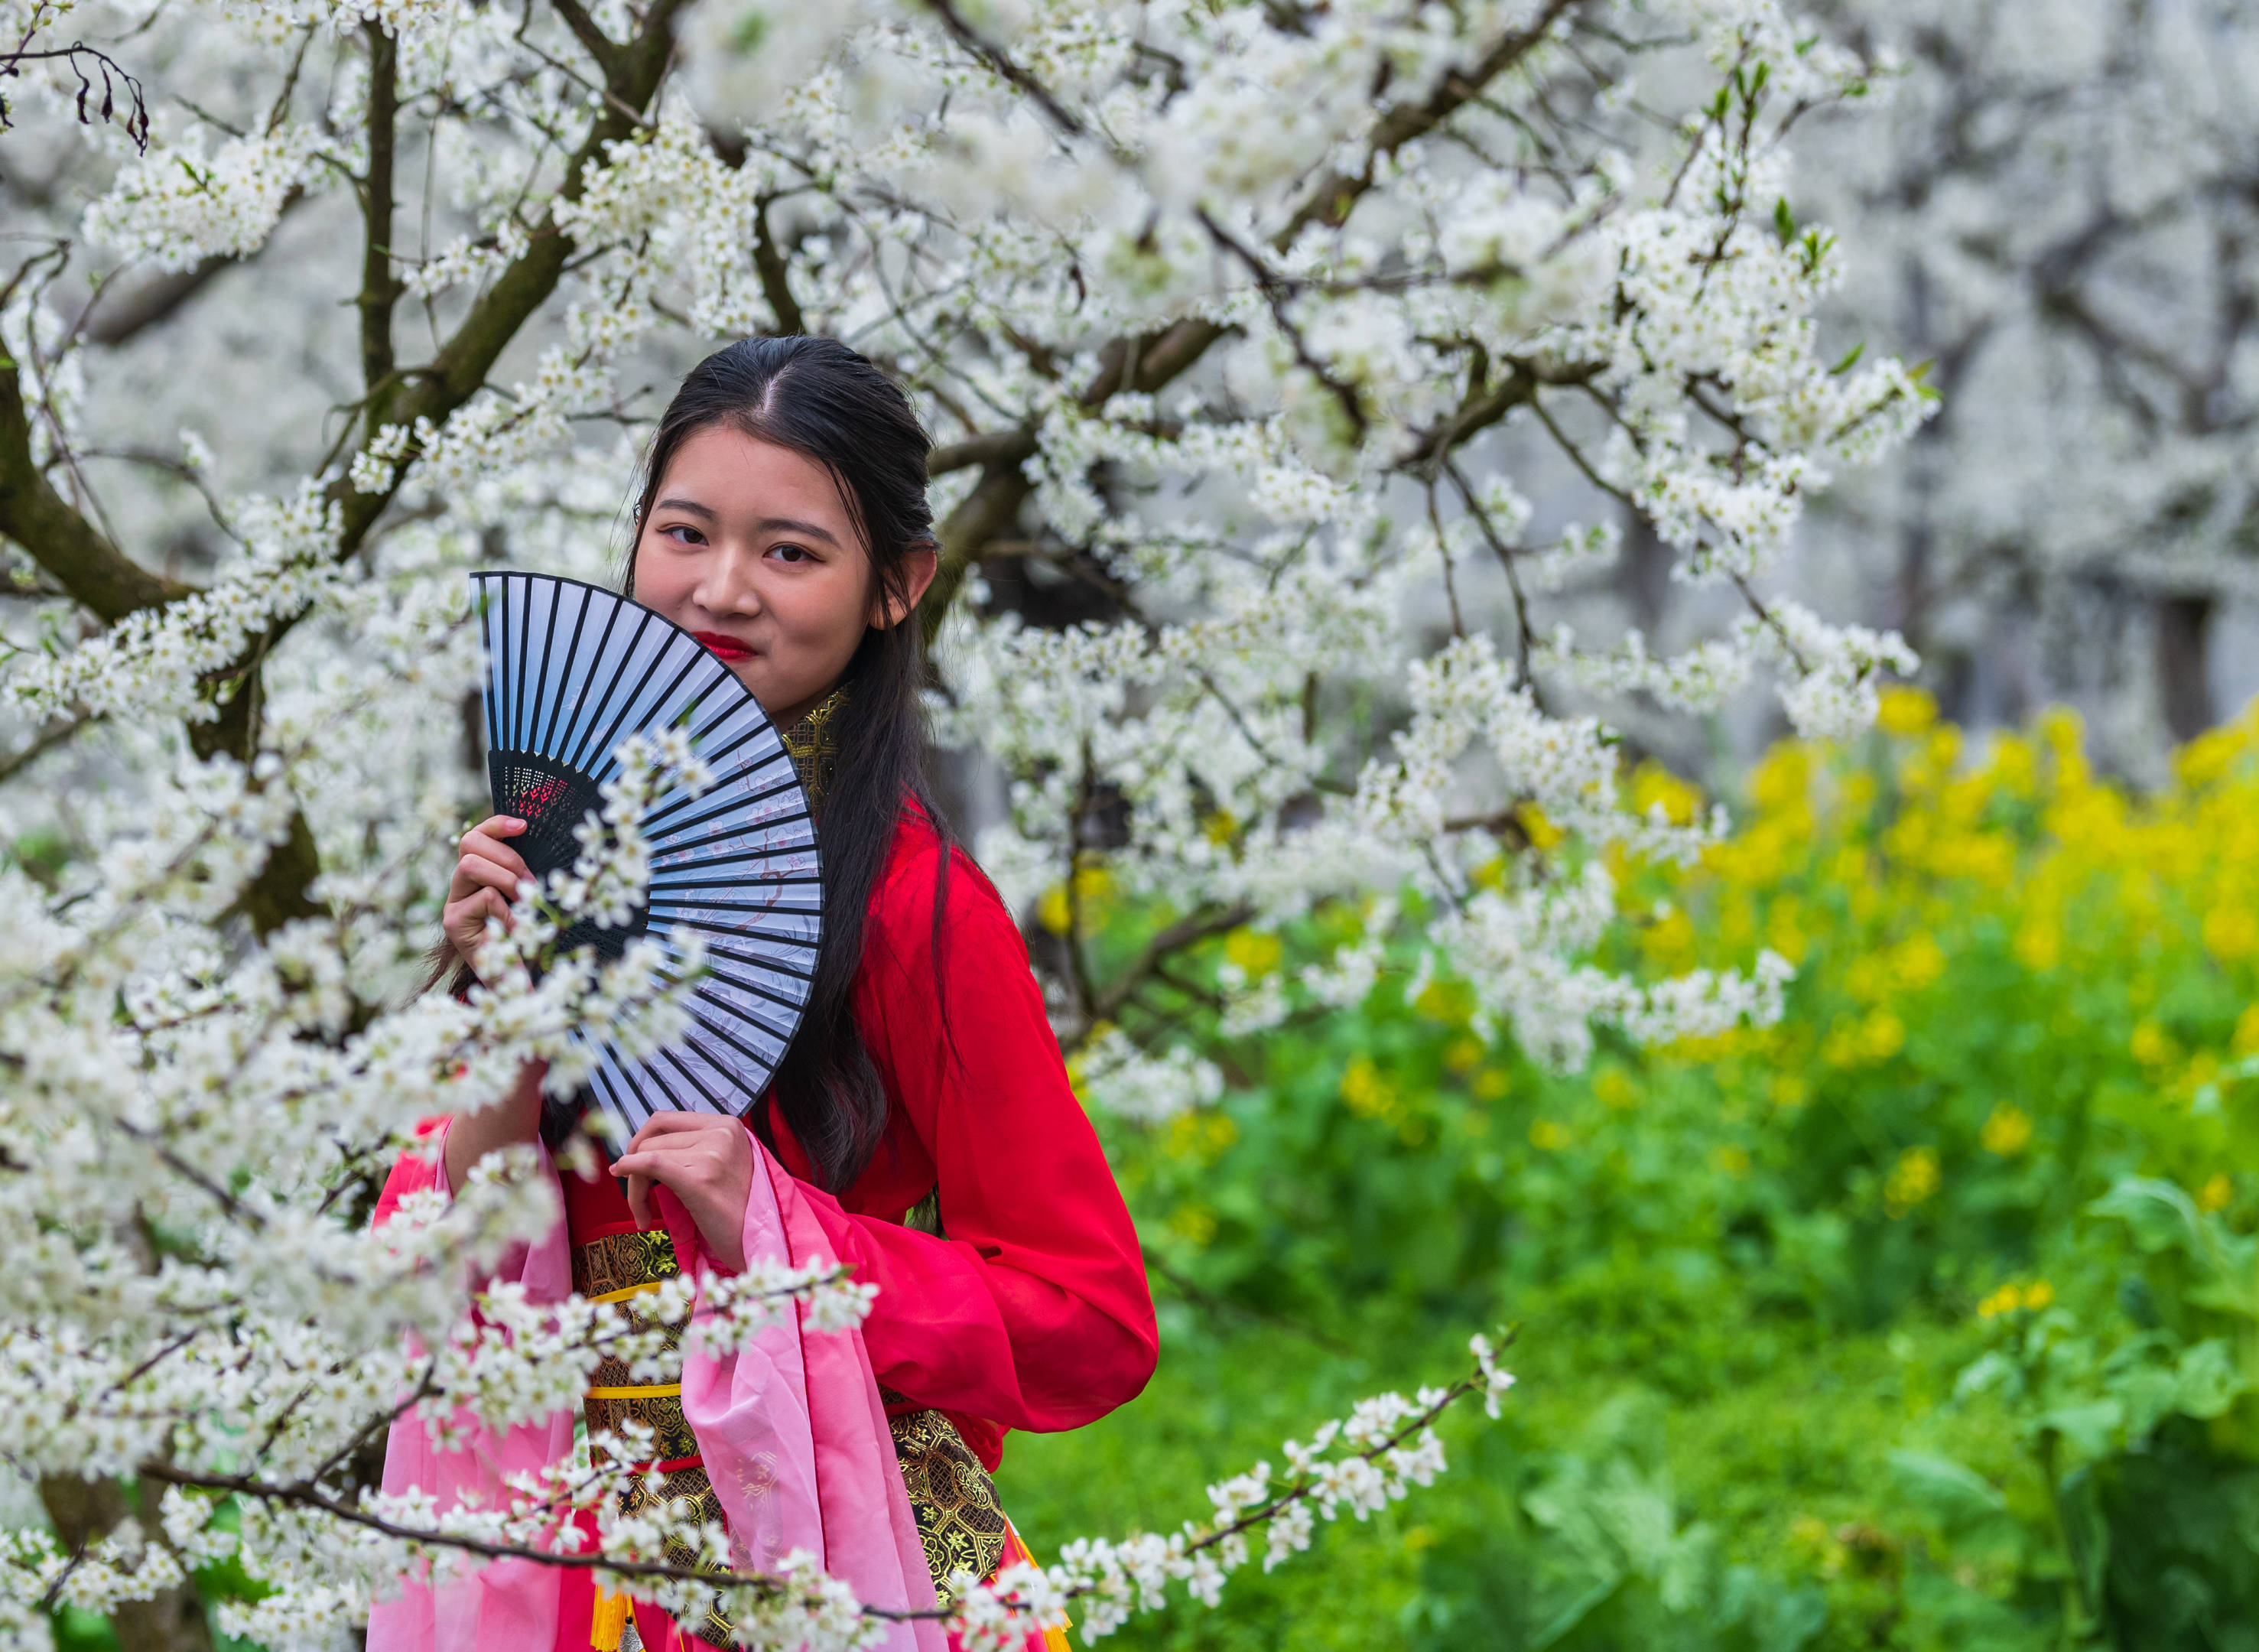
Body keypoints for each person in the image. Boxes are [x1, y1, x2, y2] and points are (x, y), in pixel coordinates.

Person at [369, 337, 1157, 1652]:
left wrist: (795, 1243)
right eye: (684, 533)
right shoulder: (548, 848)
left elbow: (1092, 1322)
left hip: (840, 1558)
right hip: (574, 1549)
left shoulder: (918, 910)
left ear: (896, 587)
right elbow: (456, 1252)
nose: (718, 592)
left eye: (790, 553)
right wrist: (506, 1013)